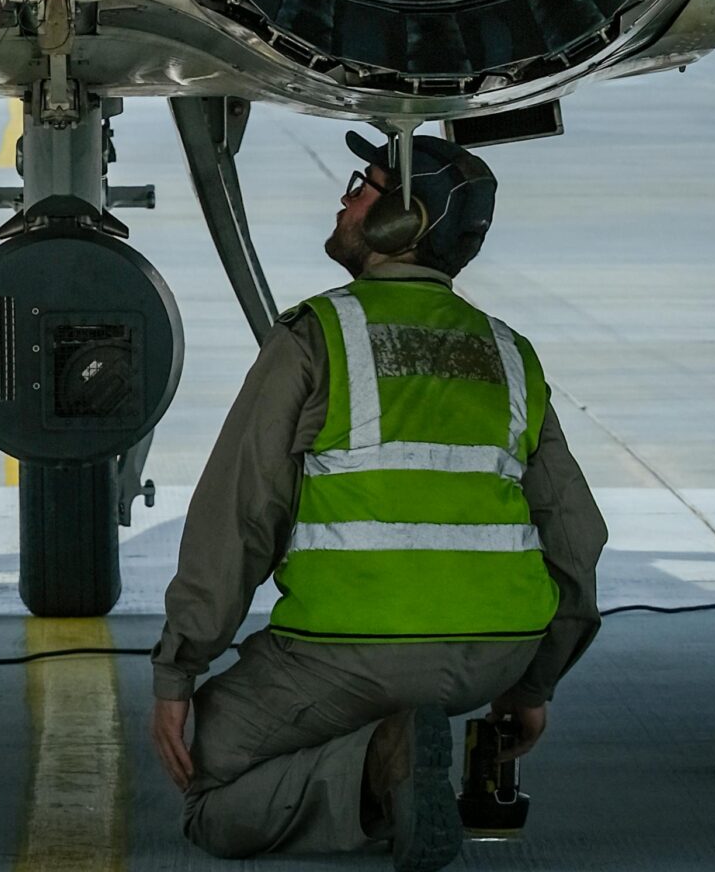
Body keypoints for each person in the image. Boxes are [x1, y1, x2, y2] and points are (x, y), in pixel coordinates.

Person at [150, 130, 607, 868]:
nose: (345, 198)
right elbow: (576, 536)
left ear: (404, 222)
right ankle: (398, 749)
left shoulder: (317, 335)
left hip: (348, 654)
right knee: (382, 701)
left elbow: (240, 517)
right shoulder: (510, 352)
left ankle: (377, 767)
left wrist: (179, 670)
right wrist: (533, 680)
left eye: (361, 187)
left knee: (212, 789)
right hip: (495, 654)